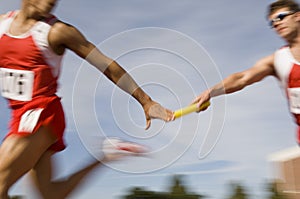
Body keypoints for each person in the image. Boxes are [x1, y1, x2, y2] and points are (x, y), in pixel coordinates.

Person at [0, 0, 173, 198]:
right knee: (50, 193)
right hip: (18, 115)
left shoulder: (57, 32)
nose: (51, 2)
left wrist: (146, 101)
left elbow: (106, 64)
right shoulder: (3, 24)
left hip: (41, 113)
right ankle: (108, 154)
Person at [192, 0, 300, 144]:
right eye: (272, 22)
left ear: (297, 16)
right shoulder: (276, 60)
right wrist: (211, 92)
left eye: (281, 17)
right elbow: (241, 78)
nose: (276, 24)